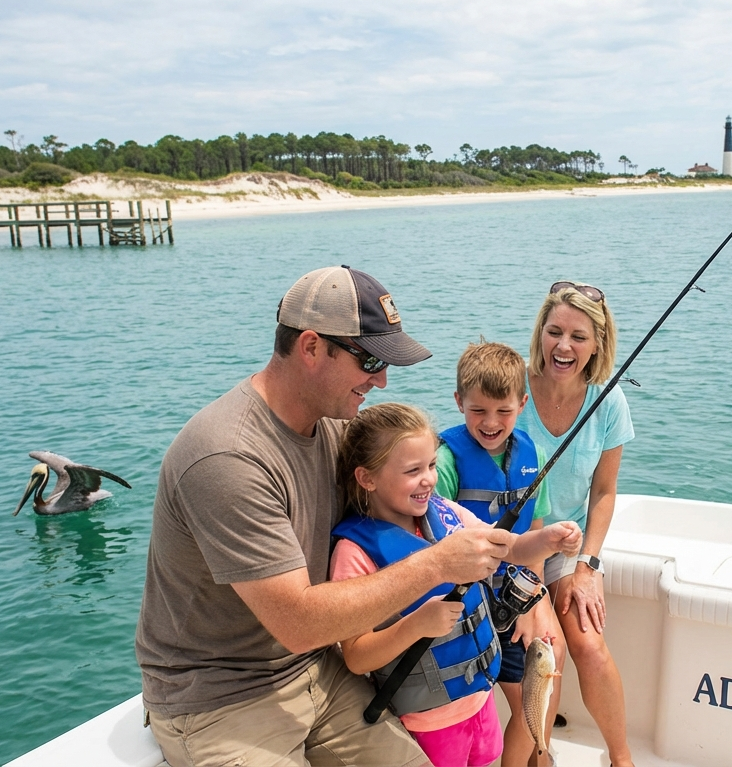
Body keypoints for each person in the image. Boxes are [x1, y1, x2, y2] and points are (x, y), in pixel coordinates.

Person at [134, 266, 516, 767]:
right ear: (311, 347)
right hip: (219, 699)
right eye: (370, 360)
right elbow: (297, 621)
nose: (381, 380)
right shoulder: (227, 457)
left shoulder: (336, 430)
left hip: (316, 670)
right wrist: (436, 564)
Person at [331, 402, 582, 767]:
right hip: (425, 721)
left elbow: (508, 545)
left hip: (479, 699)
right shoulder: (353, 554)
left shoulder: (445, 511)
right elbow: (356, 655)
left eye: (431, 465)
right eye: (412, 470)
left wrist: (551, 540)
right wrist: (415, 624)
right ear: (367, 478)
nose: (429, 479)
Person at [521, 281, 636, 767]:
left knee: (588, 645)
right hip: (519, 542)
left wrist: (587, 565)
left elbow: (604, 492)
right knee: (550, 649)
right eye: (554, 332)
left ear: (597, 345)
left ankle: (621, 757)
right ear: (540, 333)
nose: (563, 346)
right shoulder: (514, 386)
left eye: (578, 336)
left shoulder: (608, 403)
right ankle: (539, 758)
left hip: (570, 545)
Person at [434, 341, 565, 765]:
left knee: (543, 671)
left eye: (503, 412)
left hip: (513, 597)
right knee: (466, 704)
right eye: (478, 411)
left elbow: (536, 535)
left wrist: (537, 602)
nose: (491, 423)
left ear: (522, 404)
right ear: (459, 403)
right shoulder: (446, 461)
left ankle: (532, 756)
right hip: (461, 601)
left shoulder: (534, 456)